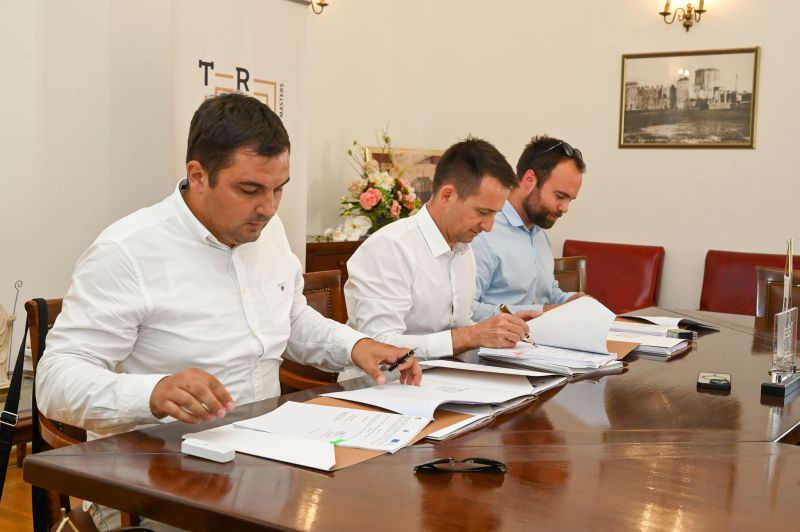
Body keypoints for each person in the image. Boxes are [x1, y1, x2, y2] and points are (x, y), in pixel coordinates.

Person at [36, 93, 421, 440]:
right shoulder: (127, 251)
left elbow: (290, 319)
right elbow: (55, 381)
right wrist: (152, 393)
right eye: (249, 190)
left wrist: (356, 346)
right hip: (158, 462)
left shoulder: (266, 230)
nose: (269, 208)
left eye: (279, 188)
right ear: (198, 176)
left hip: (266, 443)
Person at [340, 137, 536, 379]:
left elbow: (460, 325)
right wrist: (470, 336)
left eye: (495, 214)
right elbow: (380, 346)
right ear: (447, 196)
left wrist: (501, 332)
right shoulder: (390, 247)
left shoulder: (464, 249)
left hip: (444, 381)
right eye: (483, 212)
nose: (489, 226)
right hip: (380, 387)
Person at [471, 135, 587, 321]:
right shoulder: (483, 232)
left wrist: (570, 300)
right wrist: (540, 311)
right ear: (529, 179)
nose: (565, 208)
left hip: (542, 337)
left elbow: (546, 293)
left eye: (570, 200)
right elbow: (468, 310)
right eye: (559, 196)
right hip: (499, 339)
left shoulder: (540, 233)